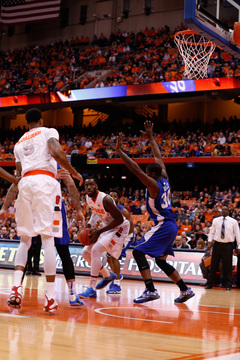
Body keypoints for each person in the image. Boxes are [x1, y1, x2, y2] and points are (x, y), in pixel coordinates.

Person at [0, 108, 83, 312]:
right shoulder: (48, 131)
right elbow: (56, 151)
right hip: (45, 182)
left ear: (27, 122)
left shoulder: (19, 143)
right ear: (41, 119)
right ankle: (50, 297)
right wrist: (73, 171)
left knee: (25, 240)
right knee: (47, 241)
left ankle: (16, 289)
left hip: (26, 184)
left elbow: (18, 177)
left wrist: (4, 206)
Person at [116, 121, 195, 304]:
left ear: (150, 174)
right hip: (171, 225)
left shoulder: (153, 185)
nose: (145, 173)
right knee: (160, 261)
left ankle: (150, 290)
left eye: (147, 172)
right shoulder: (164, 177)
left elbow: (135, 169)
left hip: (163, 225)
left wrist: (120, 152)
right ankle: (185, 289)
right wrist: (151, 138)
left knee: (137, 252)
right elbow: (159, 157)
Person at [78, 176, 130, 299]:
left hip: (119, 228)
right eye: (86, 185)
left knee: (96, 250)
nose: (89, 187)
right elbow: (97, 212)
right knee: (85, 253)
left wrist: (99, 231)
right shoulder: (88, 198)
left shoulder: (105, 199)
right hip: (107, 227)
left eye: (91, 184)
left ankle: (92, 288)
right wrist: (89, 225)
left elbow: (119, 219)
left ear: (97, 186)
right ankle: (107, 275)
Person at [105, 189, 134, 294]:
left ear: (119, 199)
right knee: (108, 257)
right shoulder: (107, 210)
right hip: (116, 235)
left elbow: (131, 227)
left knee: (113, 256)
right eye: (110, 195)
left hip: (126, 235)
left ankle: (116, 284)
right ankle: (118, 275)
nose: (112, 198)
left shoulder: (123, 211)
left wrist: (121, 240)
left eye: (115, 196)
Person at [205, 206, 240, 290]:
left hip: (228, 245)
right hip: (217, 245)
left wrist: (239, 246)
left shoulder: (233, 221)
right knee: (213, 265)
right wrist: (210, 241)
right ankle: (209, 284)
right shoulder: (216, 220)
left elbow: (238, 235)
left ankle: (228, 285)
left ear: (228, 211)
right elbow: (212, 232)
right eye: (222, 210)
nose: (224, 211)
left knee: (227, 266)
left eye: (225, 210)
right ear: (221, 211)